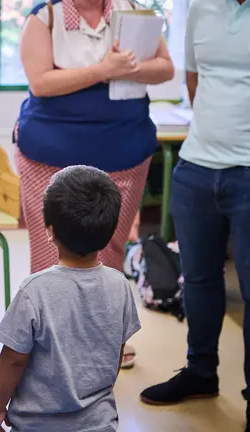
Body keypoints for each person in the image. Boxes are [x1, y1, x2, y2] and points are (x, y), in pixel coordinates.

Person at [16, 0, 174, 368]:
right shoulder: (45, 16)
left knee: (110, 249)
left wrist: (127, 67)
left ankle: (107, 339)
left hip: (124, 149)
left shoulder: (133, 10)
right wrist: (104, 70)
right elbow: (40, 82)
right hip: (49, 153)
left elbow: (166, 68)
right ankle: (47, 339)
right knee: (48, 250)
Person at [140, 1, 250, 428]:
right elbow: (194, 78)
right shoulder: (202, 7)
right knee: (200, 280)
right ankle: (201, 372)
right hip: (198, 166)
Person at [0, 165, 140, 432]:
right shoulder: (120, 285)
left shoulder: (34, 290)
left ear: (50, 230)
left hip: (37, 424)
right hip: (100, 422)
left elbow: (13, 359)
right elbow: (116, 351)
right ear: (109, 232)